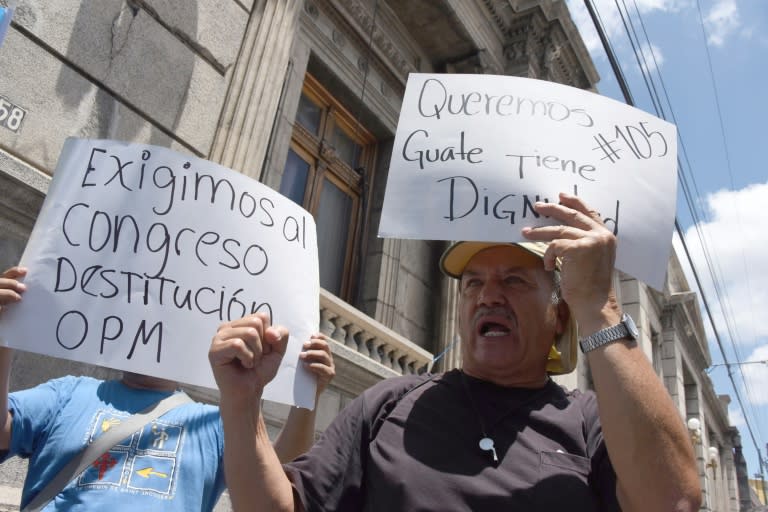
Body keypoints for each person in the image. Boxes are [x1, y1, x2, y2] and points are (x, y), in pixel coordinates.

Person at [208, 193, 702, 511]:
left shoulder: (594, 423)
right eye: (473, 283)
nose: (488, 295)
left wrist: (600, 307)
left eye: (512, 280)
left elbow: (673, 501)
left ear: (560, 317)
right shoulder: (386, 406)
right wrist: (242, 404)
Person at [0, 266, 335, 511]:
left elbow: (277, 484)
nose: (145, 325)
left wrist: (306, 397)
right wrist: (2, 338)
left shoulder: (218, 421)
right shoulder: (67, 394)